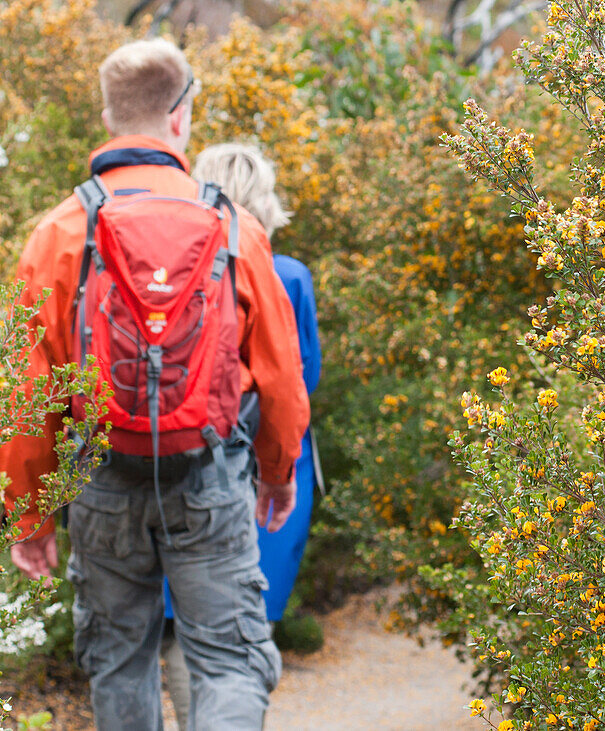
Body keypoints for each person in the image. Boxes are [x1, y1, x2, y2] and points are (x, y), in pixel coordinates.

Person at [0, 39, 310, 729]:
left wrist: (30, 513)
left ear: (109, 117)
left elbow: (28, 392)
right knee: (230, 661)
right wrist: (277, 472)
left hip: (102, 485)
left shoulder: (58, 232)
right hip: (209, 480)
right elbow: (283, 379)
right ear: (181, 117)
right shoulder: (236, 226)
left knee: (120, 660)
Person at [160, 143, 322, 728]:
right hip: (269, 471)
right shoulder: (289, 275)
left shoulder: (178, 265)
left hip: (183, 460)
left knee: (186, 624)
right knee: (245, 631)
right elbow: (301, 382)